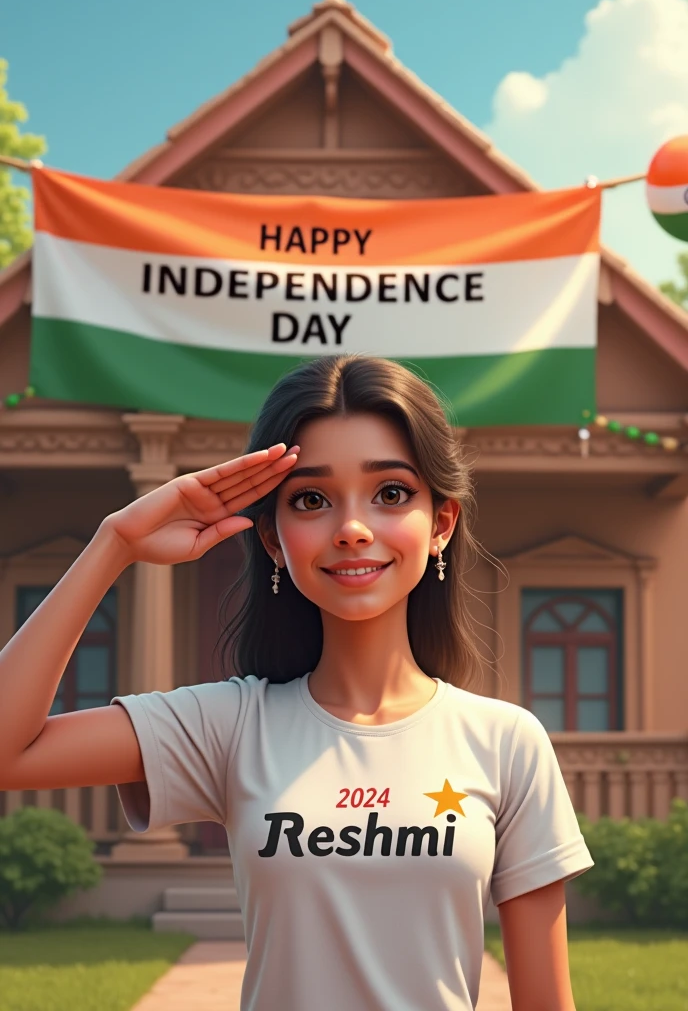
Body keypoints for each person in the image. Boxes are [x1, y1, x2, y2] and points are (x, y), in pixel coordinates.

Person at [0, 354, 592, 1011]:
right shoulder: (230, 726)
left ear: (441, 525)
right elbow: (8, 751)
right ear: (275, 542)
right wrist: (114, 543)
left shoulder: (507, 742)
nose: (353, 529)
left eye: (391, 493)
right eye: (311, 499)